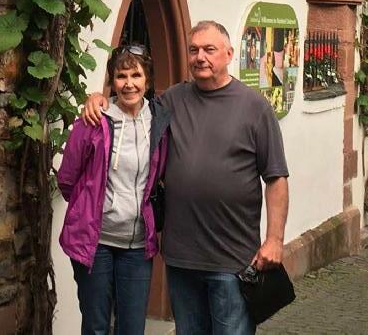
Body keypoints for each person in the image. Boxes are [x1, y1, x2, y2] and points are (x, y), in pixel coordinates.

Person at [83, 21, 289, 335]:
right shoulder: (172, 100)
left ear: (229, 53)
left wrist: (274, 240)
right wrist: (99, 98)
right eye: (193, 50)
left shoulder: (255, 107)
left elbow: (276, 178)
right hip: (181, 260)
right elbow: (131, 104)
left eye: (209, 49)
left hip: (232, 260)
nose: (199, 57)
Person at [58, 44, 172, 335]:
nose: (129, 84)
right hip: (95, 244)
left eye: (136, 75)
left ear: (148, 79)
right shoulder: (94, 120)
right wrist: (91, 207)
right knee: (96, 327)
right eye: (121, 76)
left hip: (137, 246)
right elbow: (67, 179)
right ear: (113, 81)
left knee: (131, 328)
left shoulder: (160, 122)